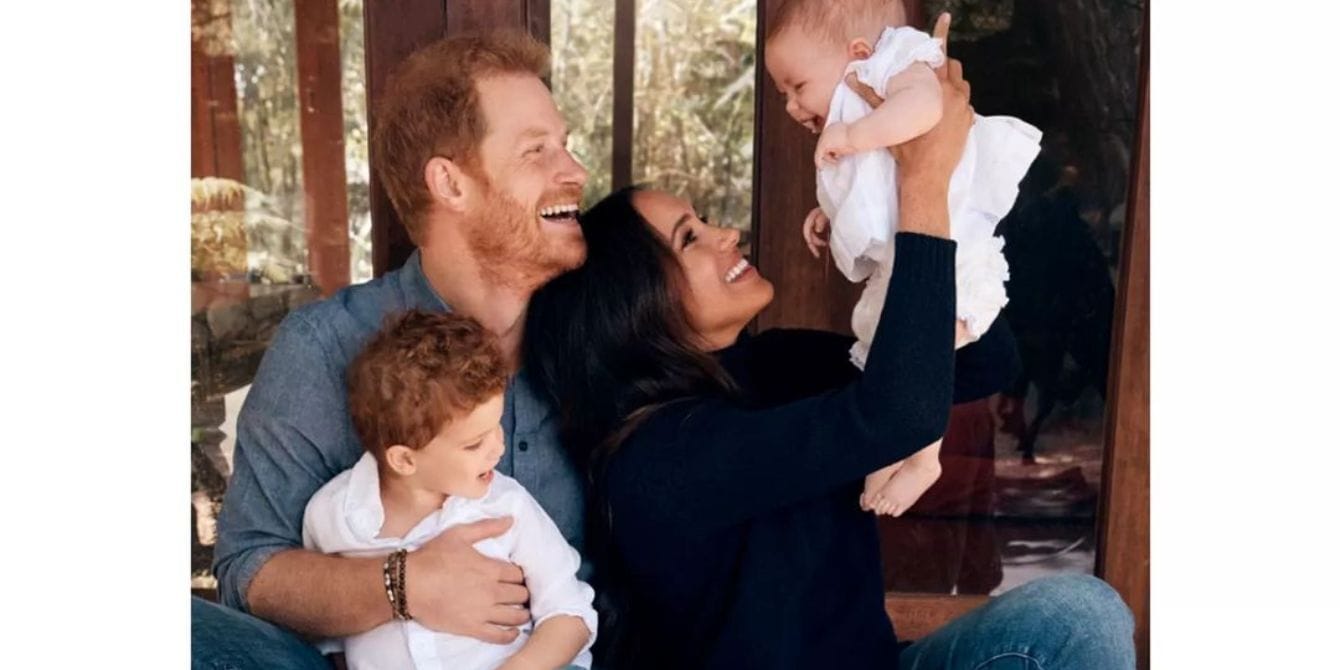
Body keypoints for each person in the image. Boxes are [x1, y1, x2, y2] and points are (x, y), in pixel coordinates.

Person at [522, 19, 1135, 668]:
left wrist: (918, 193)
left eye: (703, 220)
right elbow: (897, 416)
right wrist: (920, 182)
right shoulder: (659, 460)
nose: (725, 234)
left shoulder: (774, 363)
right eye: (690, 238)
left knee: (1077, 617)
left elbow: (985, 362)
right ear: (633, 307)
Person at [193, 30, 592, 669]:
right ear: (450, 184)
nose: (575, 171)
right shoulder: (323, 348)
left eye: (566, 146)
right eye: (537, 150)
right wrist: (403, 585)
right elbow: (248, 570)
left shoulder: (590, 339)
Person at [763, 2, 1041, 515]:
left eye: (797, 86)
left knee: (922, 351)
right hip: (910, 255)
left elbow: (926, 109)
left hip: (953, 253)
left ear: (859, 54)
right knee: (887, 345)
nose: (790, 106)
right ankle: (895, 447)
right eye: (783, 93)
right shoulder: (865, 104)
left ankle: (923, 456)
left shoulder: (899, 64)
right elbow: (877, 188)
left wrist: (852, 135)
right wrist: (829, 213)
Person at [302, 311, 597, 670]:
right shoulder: (332, 517)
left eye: (497, 426)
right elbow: (327, 636)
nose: (498, 448)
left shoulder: (507, 508)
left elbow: (571, 613)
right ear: (405, 460)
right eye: (474, 444)